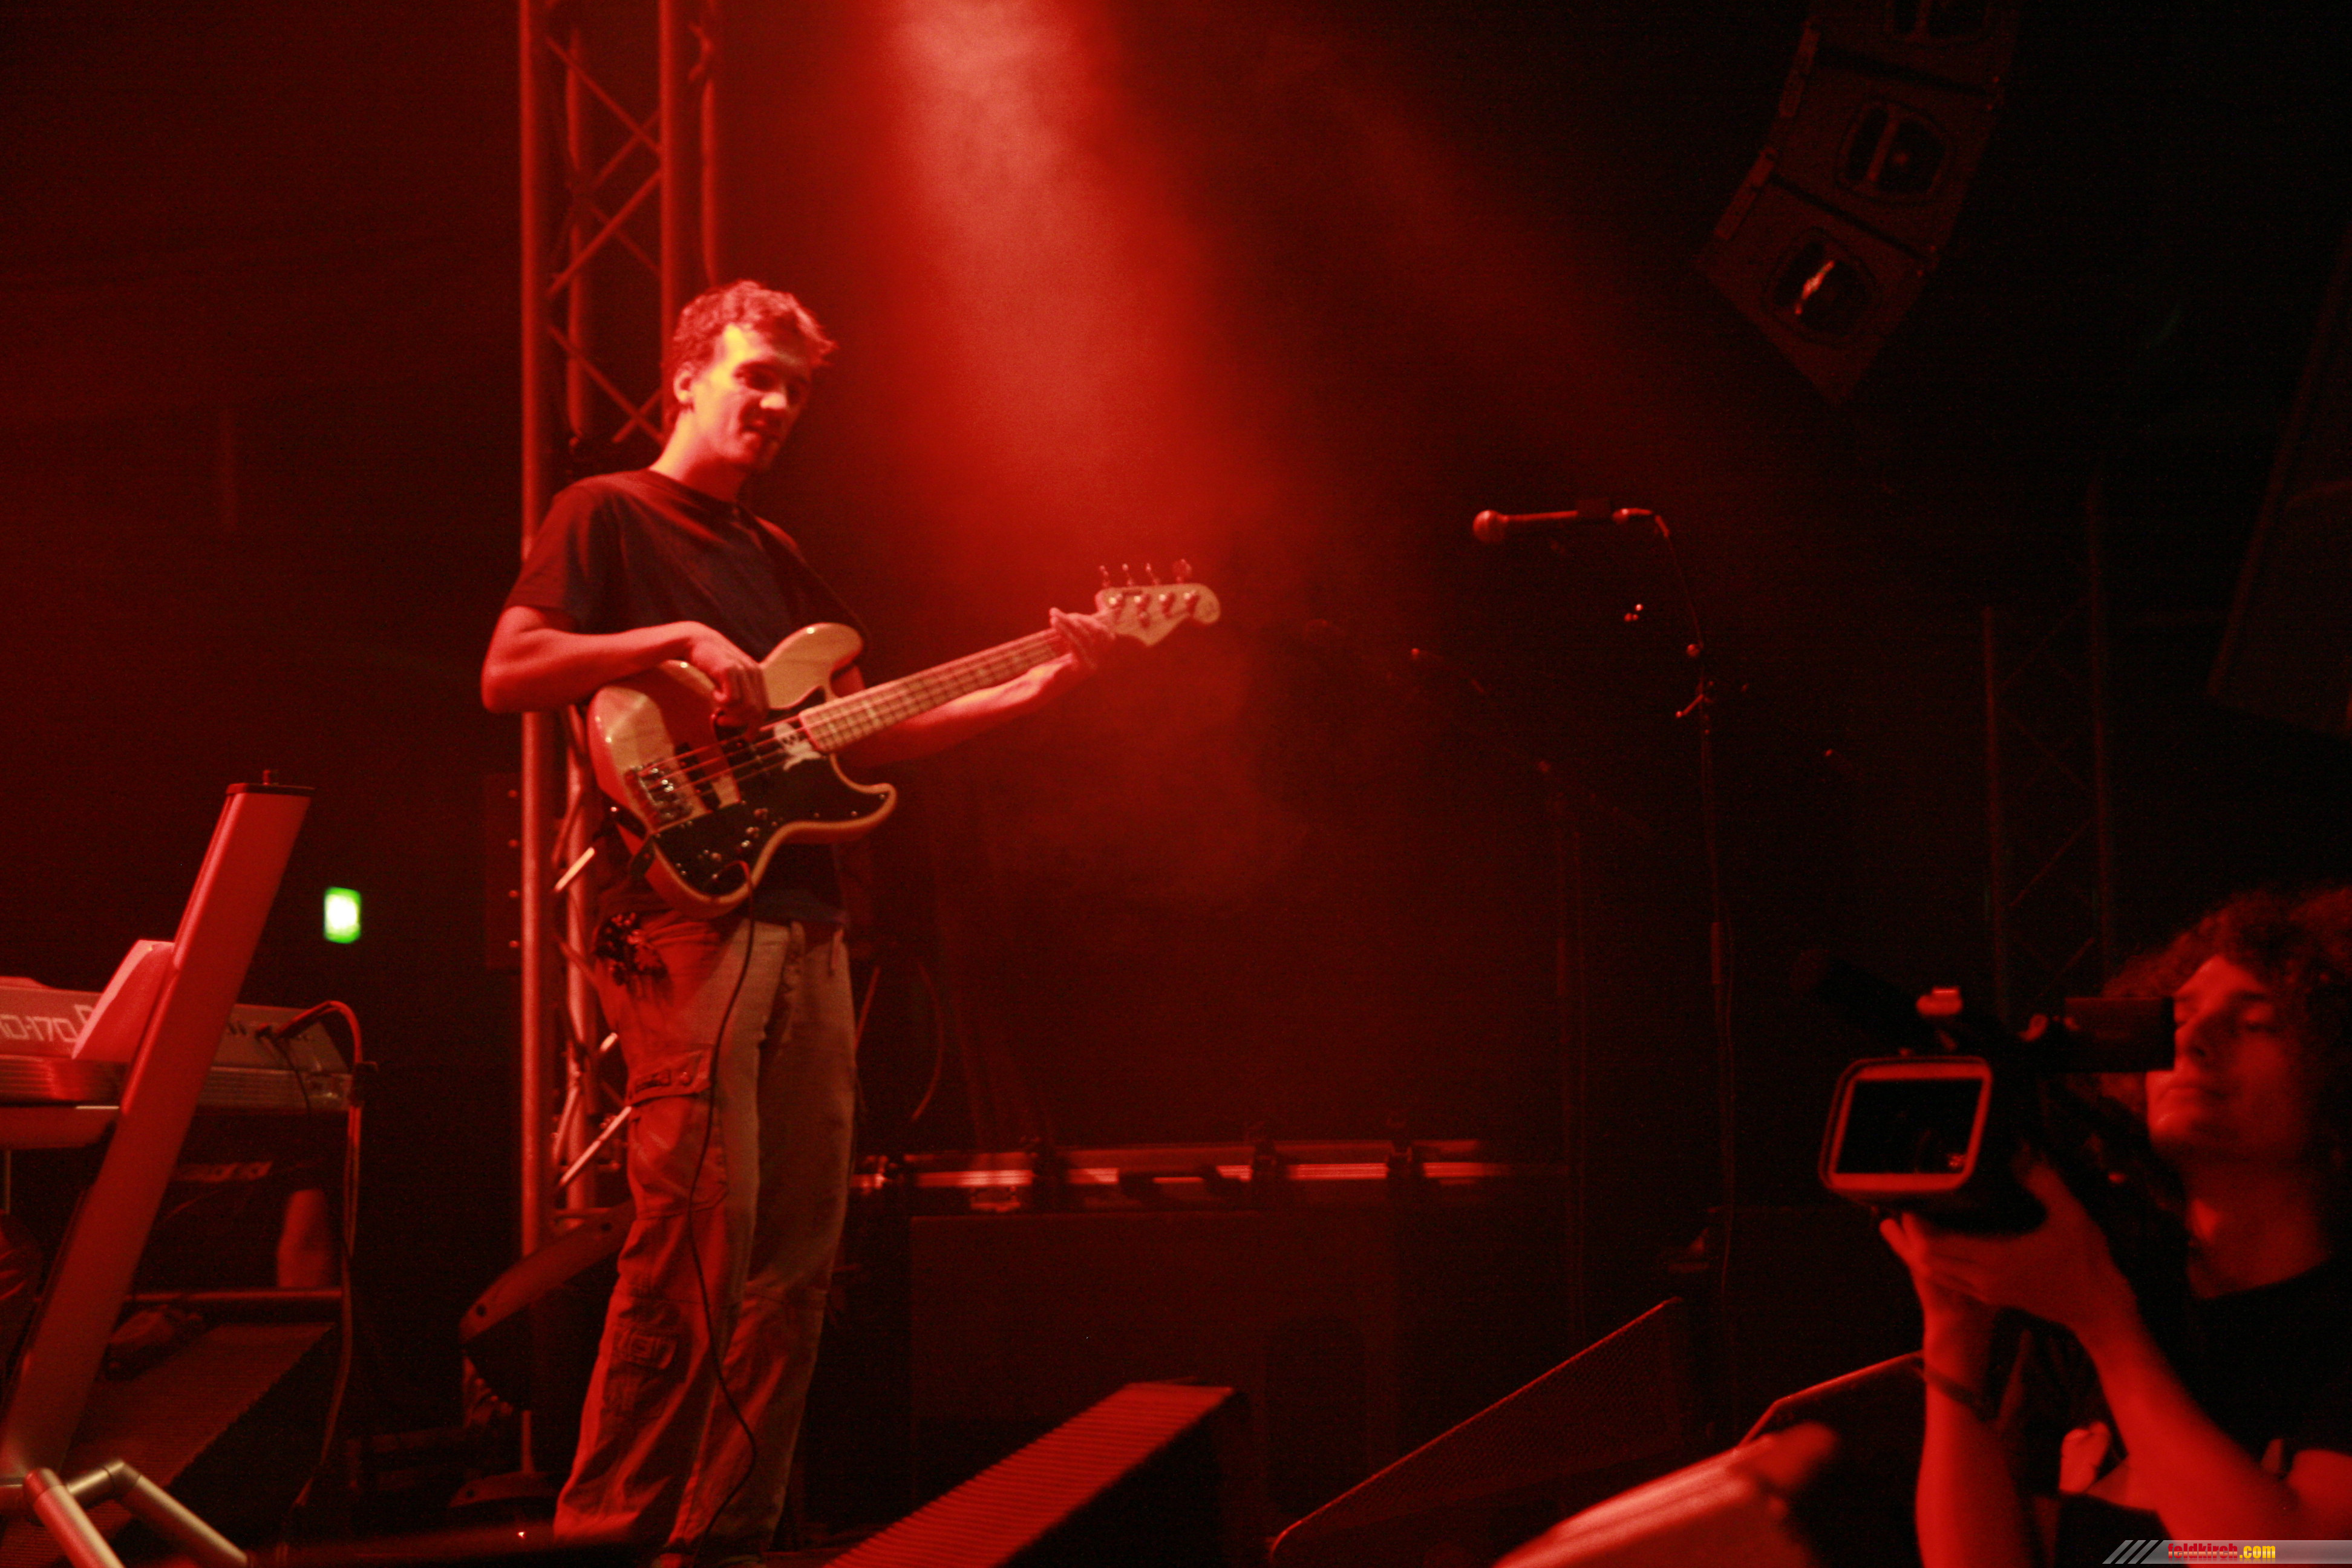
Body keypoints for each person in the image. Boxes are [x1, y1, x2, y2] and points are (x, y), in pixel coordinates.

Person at [481, 279, 1113, 1565]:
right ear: (687, 378)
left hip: (804, 916)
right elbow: (508, 671)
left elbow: (861, 730)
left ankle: (728, 1536)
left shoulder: (775, 553)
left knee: (797, 1261)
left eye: (797, 389)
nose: (776, 404)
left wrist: (1032, 691)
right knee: (694, 1241)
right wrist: (672, 636)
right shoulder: (604, 512)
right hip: (681, 917)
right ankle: (607, 1532)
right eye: (755, 377)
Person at [1881, 886, 2352, 1565]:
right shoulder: (2107, 1287)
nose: (2191, 1040)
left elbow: (2284, 1557)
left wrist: (2104, 1323)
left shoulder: (2099, 1298)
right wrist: (1955, 1333)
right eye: (2176, 1019)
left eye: (2256, 1024)